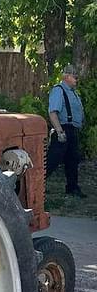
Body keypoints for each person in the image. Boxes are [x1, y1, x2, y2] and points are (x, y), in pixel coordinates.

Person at [46, 64, 87, 198]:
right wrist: (59, 131)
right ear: (66, 76)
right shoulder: (59, 90)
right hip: (63, 129)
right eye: (74, 76)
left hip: (72, 130)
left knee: (73, 160)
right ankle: (37, 185)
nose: (77, 78)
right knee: (53, 160)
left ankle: (72, 187)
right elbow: (53, 112)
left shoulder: (73, 92)